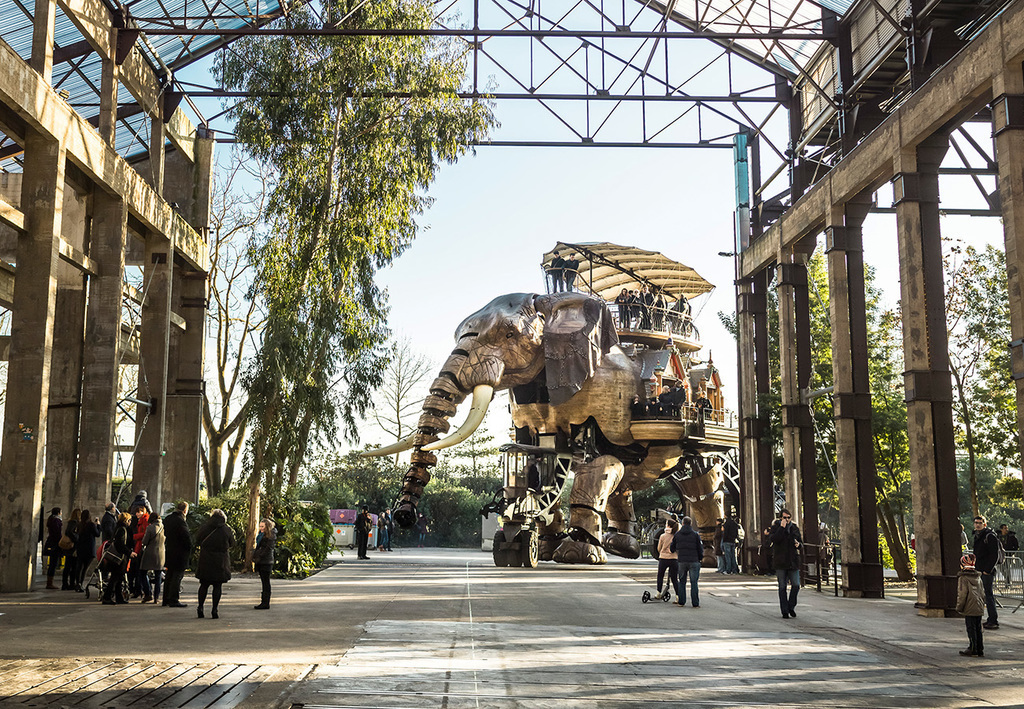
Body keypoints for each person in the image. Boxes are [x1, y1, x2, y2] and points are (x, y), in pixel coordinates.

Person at [195, 508, 234, 619]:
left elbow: (197, 540)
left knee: (204, 585)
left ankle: (200, 607)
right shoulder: (226, 529)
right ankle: (214, 610)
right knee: (217, 586)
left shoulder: (205, 528)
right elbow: (232, 543)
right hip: (220, 561)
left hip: (206, 560)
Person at [770, 509, 802, 619]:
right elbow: (774, 539)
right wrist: (781, 528)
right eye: (784, 518)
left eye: (789, 517)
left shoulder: (794, 528)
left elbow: (800, 541)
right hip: (780, 561)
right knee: (782, 586)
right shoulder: (775, 528)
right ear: (780, 518)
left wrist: (799, 544)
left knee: (796, 585)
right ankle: (784, 610)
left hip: (792, 561)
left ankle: (791, 606)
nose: (787, 520)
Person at [972, 515, 1000, 630]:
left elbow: (995, 555)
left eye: (980, 522)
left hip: (986, 571)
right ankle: (989, 619)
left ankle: (993, 620)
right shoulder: (978, 536)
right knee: (983, 595)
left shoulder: (989, 536)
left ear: (985, 524)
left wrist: (987, 570)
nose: (977, 524)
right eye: (976, 522)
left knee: (988, 595)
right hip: (979, 569)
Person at [163, 501, 192, 608]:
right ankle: (173, 599)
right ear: (185, 510)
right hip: (180, 553)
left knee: (169, 575)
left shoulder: (168, 519)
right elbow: (186, 537)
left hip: (169, 550)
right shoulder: (181, 521)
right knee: (177, 576)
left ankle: (166, 598)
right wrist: (189, 547)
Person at [670, 516, 704, 607]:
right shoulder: (695, 535)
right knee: (694, 583)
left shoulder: (677, 534)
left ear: (683, 523)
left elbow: (672, 548)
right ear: (691, 524)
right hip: (694, 560)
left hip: (682, 561)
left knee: (682, 582)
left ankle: (681, 601)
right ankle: (695, 603)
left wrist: (675, 551)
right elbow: (700, 548)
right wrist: (700, 558)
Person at [956, 552, 986, 657]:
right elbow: (982, 593)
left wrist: (959, 607)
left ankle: (972, 648)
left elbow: (962, 594)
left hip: (969, 606)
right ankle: (980, 648)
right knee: (978, 628)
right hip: (978, 606)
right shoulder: (978, 577)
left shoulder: (963, 578)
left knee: (971, 628)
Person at [102, 512, 133, 605]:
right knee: (115, 578)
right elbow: (121, 544)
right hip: (119, 558)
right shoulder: (122, 530)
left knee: (118, 578)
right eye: (130, 520)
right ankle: (107, 597)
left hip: (115, 557)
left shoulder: (117, 528)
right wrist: (129, 552)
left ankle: (119, 597)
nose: (130, 522)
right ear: (126, 520)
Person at [138, 509, 165, 604]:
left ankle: (148, 593)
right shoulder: (162, 526)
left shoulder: (150, 528)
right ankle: (156, 598)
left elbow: (144, 541)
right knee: (158, 575)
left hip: (150, 553)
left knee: (142, 572)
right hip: (161, 553)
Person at [253, 518, 277, 610]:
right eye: (260, 526)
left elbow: (268, 549)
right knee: (264, 581)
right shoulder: (261, 535)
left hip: (266, 561)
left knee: (266, 582)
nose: (260, 528)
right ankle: (264, 602)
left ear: (267, 527)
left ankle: (265, 602)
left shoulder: (270, 536)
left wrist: (259, 556)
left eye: (262, 526)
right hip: (261, 561)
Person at [75, 509, 101, 591]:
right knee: (85, 568)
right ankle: (81, 583)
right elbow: (97, 534)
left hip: (80, 548)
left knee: (79, 567)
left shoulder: (79, 524)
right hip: (89, 549)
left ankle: (77, 583)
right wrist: (98, 525)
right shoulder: (91, 525)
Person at [655, 519, 680, 600]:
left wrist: (662, 552)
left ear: (668, 526)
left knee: (660, 576)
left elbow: (659, 548)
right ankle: (677, 595)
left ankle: (658, 593)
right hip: (673, 558)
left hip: (663, 558)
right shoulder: (676, 536)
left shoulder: (662, 536)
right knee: (674, 578)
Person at [61, 508, 81, 591]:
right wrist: (76, 538)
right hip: (72, 547)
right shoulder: (73, 522)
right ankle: (67, 584)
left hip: (72, 547)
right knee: (71, 566)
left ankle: (68, 584)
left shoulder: (72, 522)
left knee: (70, 566)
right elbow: (69, 532)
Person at [43, 507, 63, 590]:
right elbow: (57, 533)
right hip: (55, 544)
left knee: (52, 563)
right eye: (61, 512)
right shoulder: (56, 521)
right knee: (53, 563)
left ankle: (49, 582)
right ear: (58, 512)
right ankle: (49, 583)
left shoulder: (51, 519)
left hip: (51, 542)